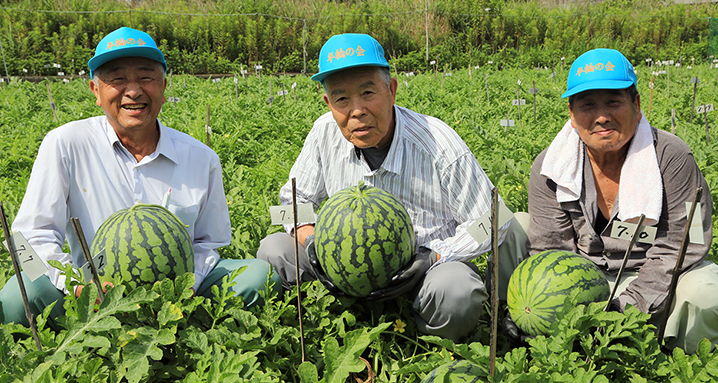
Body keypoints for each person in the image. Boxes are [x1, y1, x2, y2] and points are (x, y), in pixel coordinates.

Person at [0, 27, 281, 330]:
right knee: (20, 294)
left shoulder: (201, 158)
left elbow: (208, 243)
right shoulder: (66, 144)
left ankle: (186, 326)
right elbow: (26, 238)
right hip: (90, 294)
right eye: (117, 79)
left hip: (180, 292)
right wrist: (78, 286)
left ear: (163, 85)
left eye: (146, 77)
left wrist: (189, 286)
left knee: (258, 276)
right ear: (96, 90)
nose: (133, 91)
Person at [257, 33, 528, 343]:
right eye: (342, 98)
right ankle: (329, 322)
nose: (356, 110)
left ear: (392, 90)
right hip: (341, 270)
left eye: (368, 92)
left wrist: (435, 256)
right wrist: (313, 241)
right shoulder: (323, 134)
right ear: (328, 103)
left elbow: (494, 220)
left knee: (457, 291)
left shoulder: (438, 143)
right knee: (274, 250)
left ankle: (425, 340)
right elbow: (286, 205)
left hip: (423, 272)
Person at [526, 48, 718, 353]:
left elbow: (682, 247)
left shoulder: (672, 158)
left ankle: (686, 363)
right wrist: (569, 312)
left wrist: (625, 311)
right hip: (583, 278)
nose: (602, 117)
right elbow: (552, 249)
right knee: (518, 226)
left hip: (651, 276)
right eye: (587, 105)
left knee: (707, 291)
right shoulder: (550, 168)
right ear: (572, 115)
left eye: (613, 102)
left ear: (637, 105)